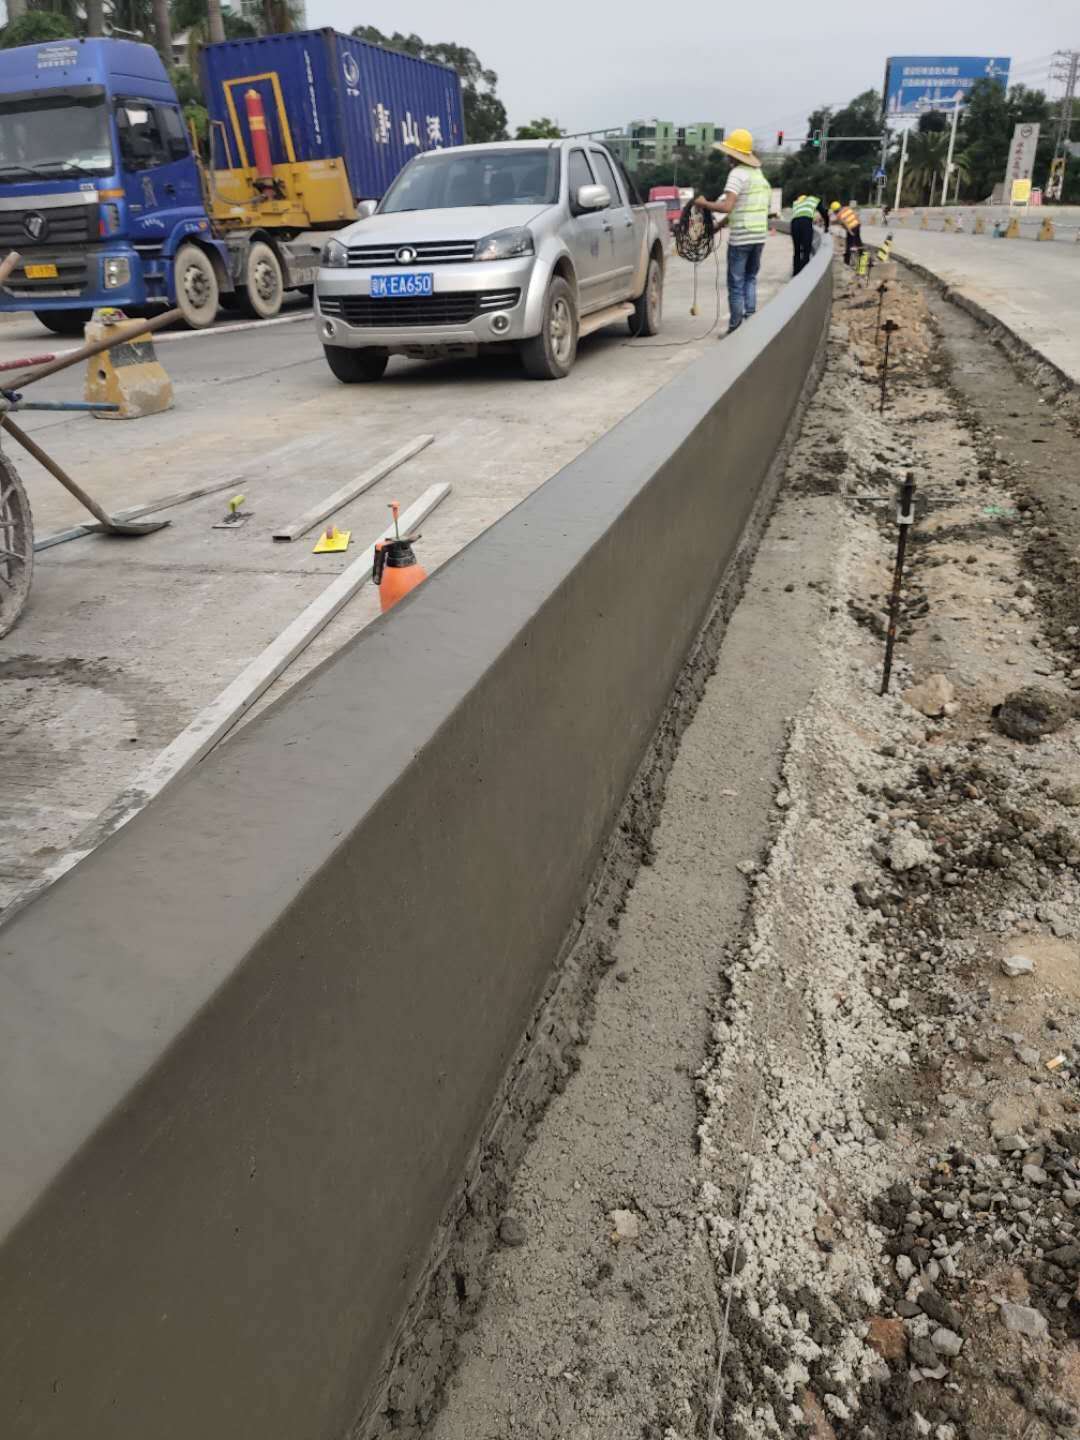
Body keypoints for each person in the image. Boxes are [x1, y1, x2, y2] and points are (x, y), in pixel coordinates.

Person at [694, 128, 771, 335]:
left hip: (741, 237)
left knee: (736, 283)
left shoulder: (737, 174)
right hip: (759, 236)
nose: (727, 157)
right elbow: (740, 207)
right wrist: (718, 227)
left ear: (734, 155)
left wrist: (704, 204)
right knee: (750, 278)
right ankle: (751, 321)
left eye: (729, 153)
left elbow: (728, 206)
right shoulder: (759, 176)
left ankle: (735, 327)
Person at [790, 192, 826, 275]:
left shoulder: (796, 203)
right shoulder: (812, 200)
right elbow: (823, 212)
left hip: (794, 223)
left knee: (797, 250)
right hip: (805, 223)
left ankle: (796, 272)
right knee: (806, 249)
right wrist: (826, 225)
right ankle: (805, 272)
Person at [831, 200, 863, 266]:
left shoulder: (839, 215)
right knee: (858, 242)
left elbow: (845, 225)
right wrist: (859, 223)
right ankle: (862, 257)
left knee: (849, 244)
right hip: (857, 225)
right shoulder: (847, 208)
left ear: (834, 211)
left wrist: (850, 232)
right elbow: (855, 215)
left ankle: (846, 262)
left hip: (851, 228)